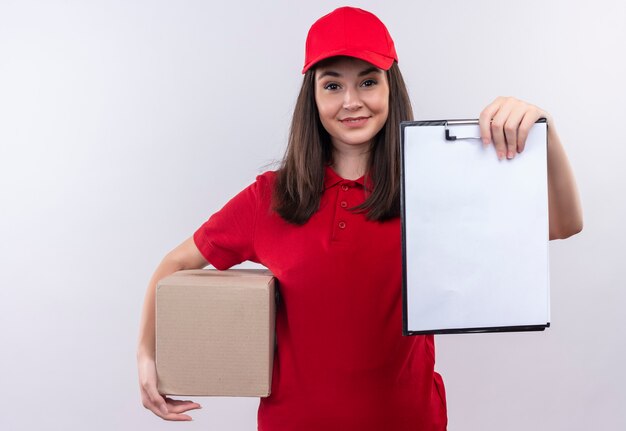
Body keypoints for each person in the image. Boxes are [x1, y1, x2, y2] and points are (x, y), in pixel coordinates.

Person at [137, 6, 583, 430]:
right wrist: (147, 355)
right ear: (312, 97)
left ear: (391, 88)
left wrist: (546, 129)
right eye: (333, 86)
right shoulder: (270, 198)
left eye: (368, 82)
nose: (351, 101)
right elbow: (175, 265)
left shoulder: (433, 186)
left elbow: (563, 224)